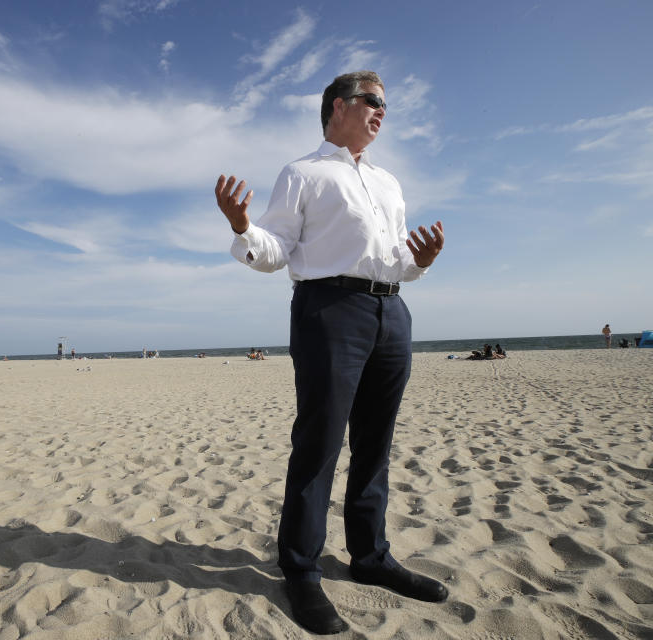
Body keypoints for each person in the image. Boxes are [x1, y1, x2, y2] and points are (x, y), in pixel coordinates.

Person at [215, 70, 447, 635]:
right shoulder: (303, 173)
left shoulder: (389, 183)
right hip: (328, 309)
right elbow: (275, 250)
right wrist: (242, 225)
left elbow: (394, 260)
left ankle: (370, 558)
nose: (381, 112)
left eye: (385, 105)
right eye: (373, 102)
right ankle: (300, 569)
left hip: (391, 313)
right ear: (339, 106)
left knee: (376, 443)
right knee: (319, 441)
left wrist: (420, 262)